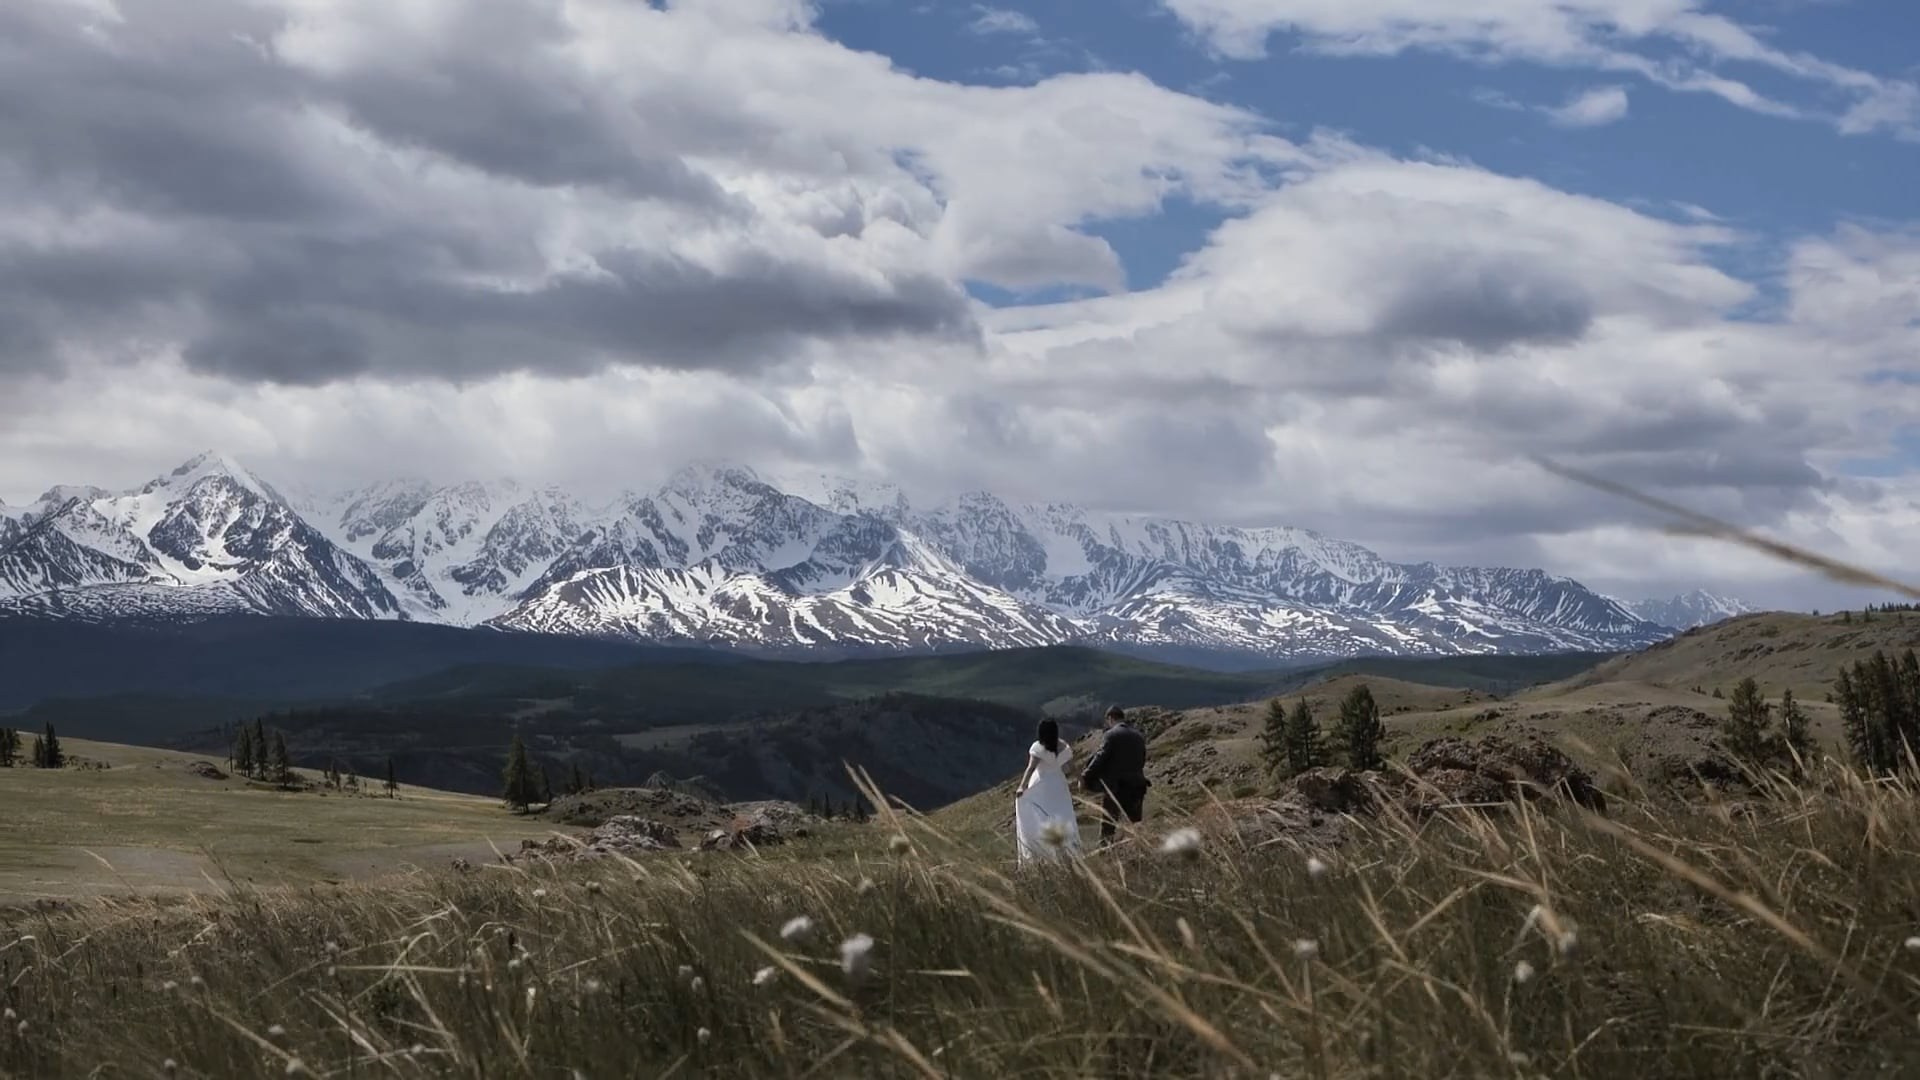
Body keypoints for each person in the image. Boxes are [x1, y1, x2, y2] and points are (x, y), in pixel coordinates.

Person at [1079, 705, 1148, 846]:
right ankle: (1138, 850)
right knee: (1135, 824)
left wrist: (1085, 776)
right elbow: (1141, 760)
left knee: (1108, 825)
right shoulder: (1138, 736)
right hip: (1137, 785)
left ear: (1110, 718)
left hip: (1117, 787)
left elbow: (1100, 757)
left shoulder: (1111, 735)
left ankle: (1106, 854)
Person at [1013, 718, 1081, 862]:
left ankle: (1039, 851)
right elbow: (1072, 767)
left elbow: (1030, 768)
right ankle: (1067, 852)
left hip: (1041, 785)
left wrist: (1022, 786)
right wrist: (1081, 779)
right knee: (1062, 814)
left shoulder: (1038, 748)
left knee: (1040, 816)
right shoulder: (1063, 747)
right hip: (1058, 785)